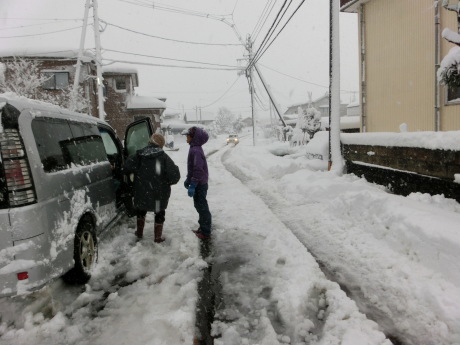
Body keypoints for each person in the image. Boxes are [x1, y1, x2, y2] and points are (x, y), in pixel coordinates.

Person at [123, 133, 180, 242]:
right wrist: (167, 182)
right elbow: (175, 176)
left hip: (141, 190)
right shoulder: (163, 157)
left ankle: (139, 232)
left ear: (150, 142)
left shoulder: (139, 155)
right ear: (161, 144)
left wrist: (135, 178)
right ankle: (157, 237)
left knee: (141, 210)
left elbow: (126, 167)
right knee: (159, 212)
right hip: (159, 192)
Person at [183, 127, 212, 240]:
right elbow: (192, 168)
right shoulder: (194, 148)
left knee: (202, 207)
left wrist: (193, 184)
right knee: (199, 206)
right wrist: (188, 179)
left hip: (200, 184)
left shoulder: (195, 150)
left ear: (193, 137)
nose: (186, 137)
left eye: (188, 136)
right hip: (198, 183)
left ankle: (206, 232)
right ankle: (203, 227)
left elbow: (198, 169)